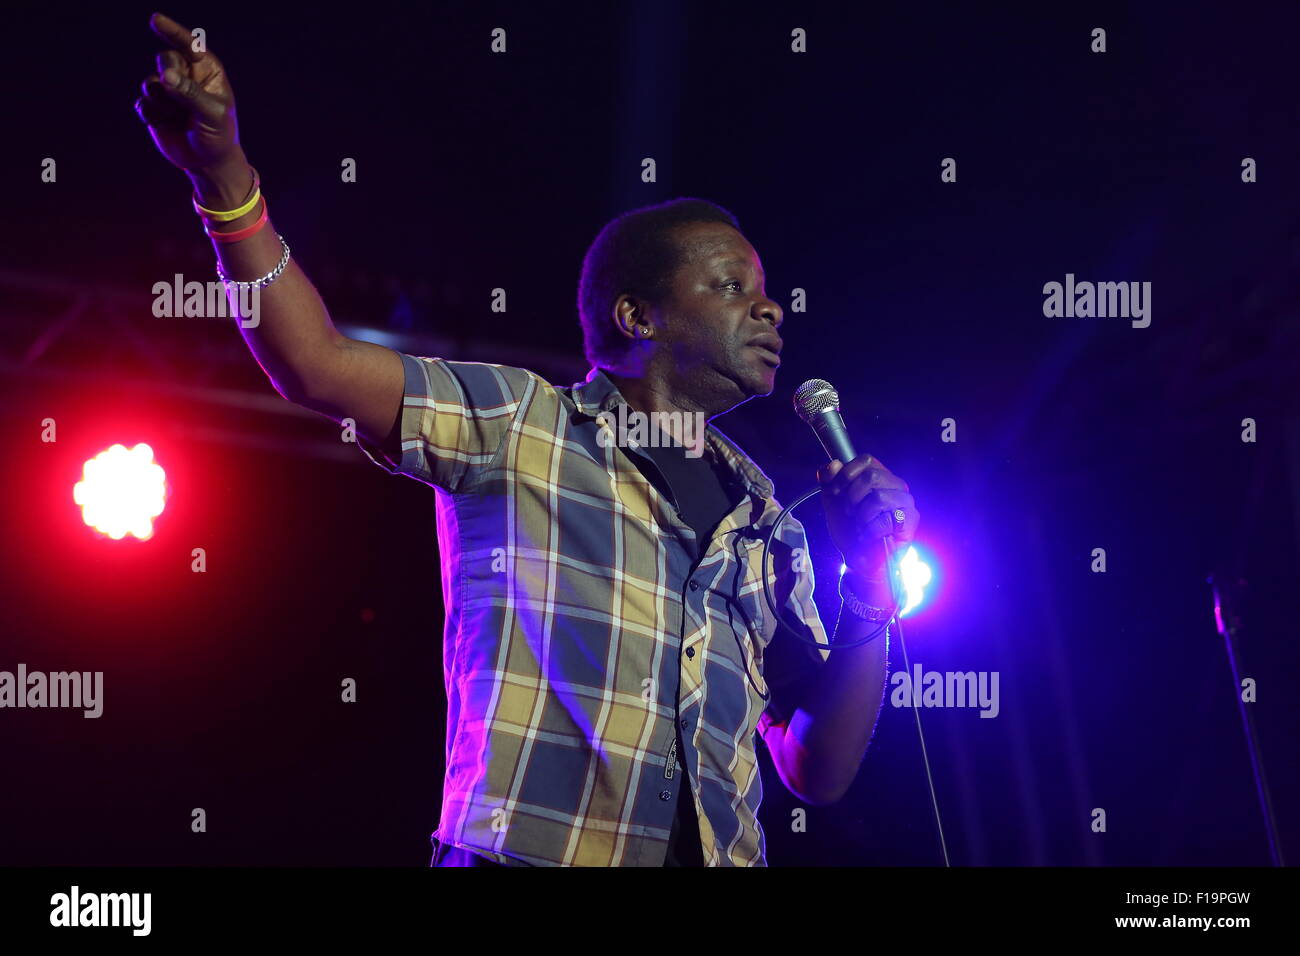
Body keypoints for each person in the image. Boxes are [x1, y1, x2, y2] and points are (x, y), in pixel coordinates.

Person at [135, 12, 920, 867]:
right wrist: (224, 176)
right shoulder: (523, 423)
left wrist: (870, 596)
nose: (768, 308)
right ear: (638, 316)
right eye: (732, 285)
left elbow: (818, 768)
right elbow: (313, 363)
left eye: (765, 291)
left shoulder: (773, 525)